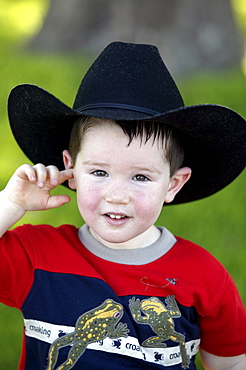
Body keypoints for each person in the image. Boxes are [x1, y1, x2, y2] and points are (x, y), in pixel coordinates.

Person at [0, 42, 245, 370]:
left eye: (140, 177)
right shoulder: (36, 256)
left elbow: (230, 364)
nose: (117, 195)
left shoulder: (204, 276)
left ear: (172, 184)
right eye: (99, 172)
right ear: (71, 170)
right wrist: (11, 202)